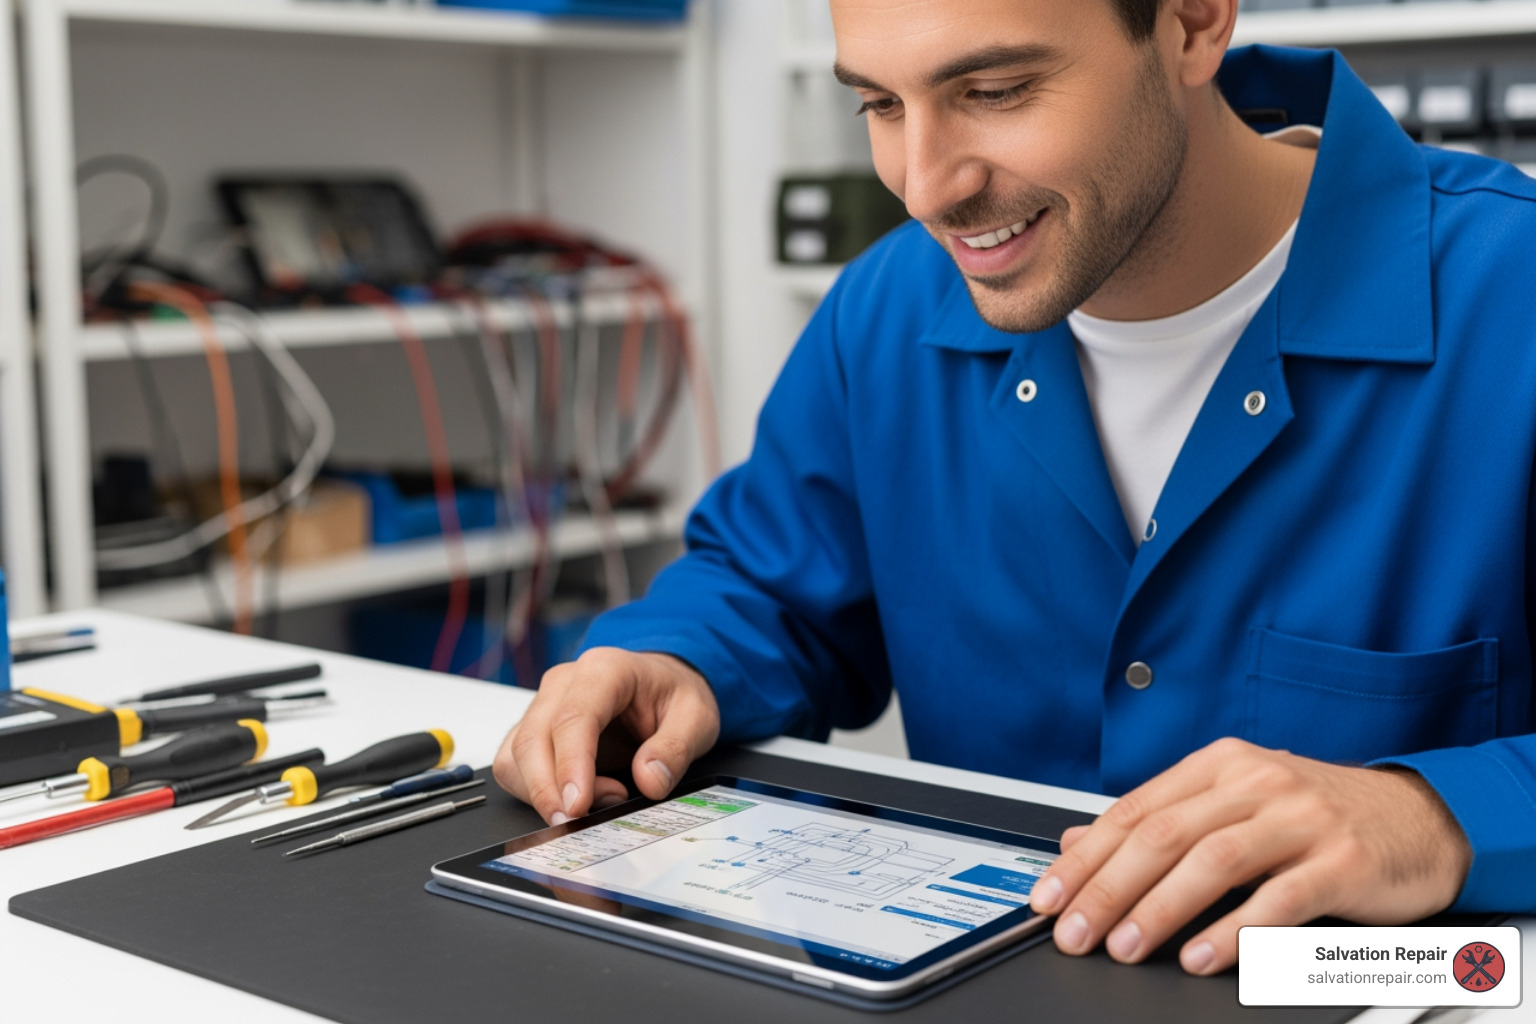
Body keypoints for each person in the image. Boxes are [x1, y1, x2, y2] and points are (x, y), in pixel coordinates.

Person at [495, 0, 1536, 976]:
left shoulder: (1512, 295)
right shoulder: (888, 308)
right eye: (881, 104)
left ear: (1191, 22)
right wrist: (677, 655)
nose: (924, 184)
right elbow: (768, 582)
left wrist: (1435, 814)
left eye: (994, 92)